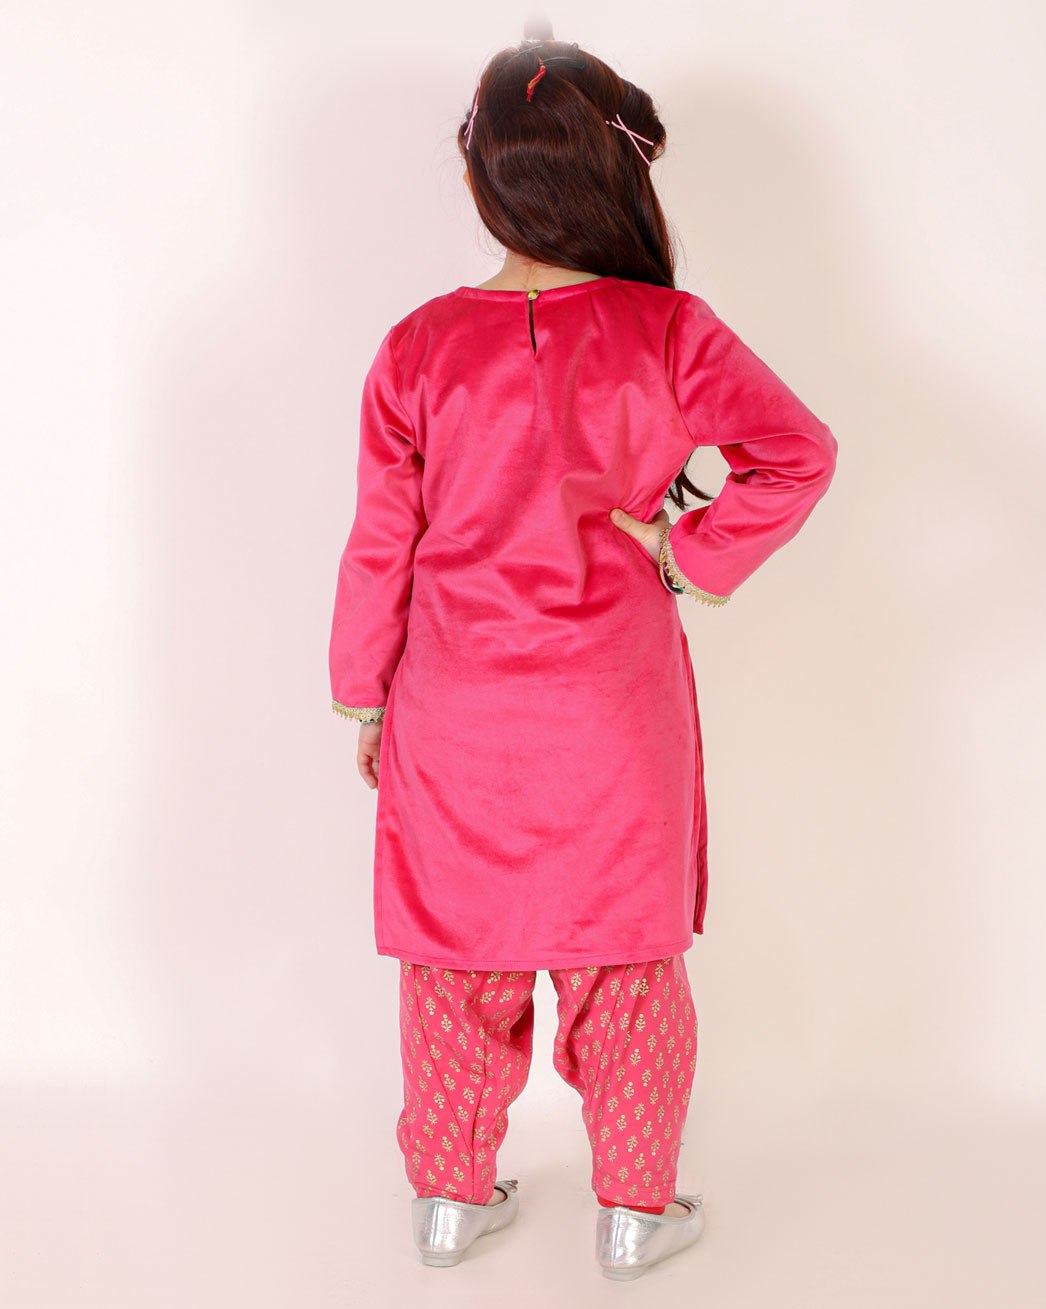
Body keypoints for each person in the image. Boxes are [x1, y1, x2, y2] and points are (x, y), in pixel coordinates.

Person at [327, 29, 838, 1280]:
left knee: (455, 964)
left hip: (452, 708)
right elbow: (799, 454)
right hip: (611, 711)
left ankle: (448, 1205)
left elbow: (382, 540)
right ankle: (634, 1212)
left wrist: (365, 696)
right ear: (615, 174)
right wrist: (687, 551)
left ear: (477, 176)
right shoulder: (668, 331)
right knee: (625, 964)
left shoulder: (417, 347)